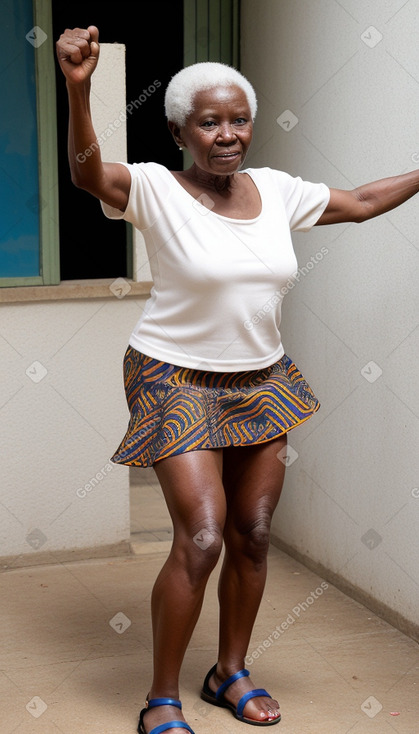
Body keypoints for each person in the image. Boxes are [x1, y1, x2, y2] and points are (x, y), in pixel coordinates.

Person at [56, 25, 419, 734]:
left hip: (261, 379)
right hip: (172, 375)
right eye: (209, 122)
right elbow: (87, 175)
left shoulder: (279, 192)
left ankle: (228, 672)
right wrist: (78, 89)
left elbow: (364, 200)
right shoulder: (154, 187)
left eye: (239, 119)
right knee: (202, 536)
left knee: (252, 532)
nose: (227, 134)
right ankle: (162, 696)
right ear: (179, 130)